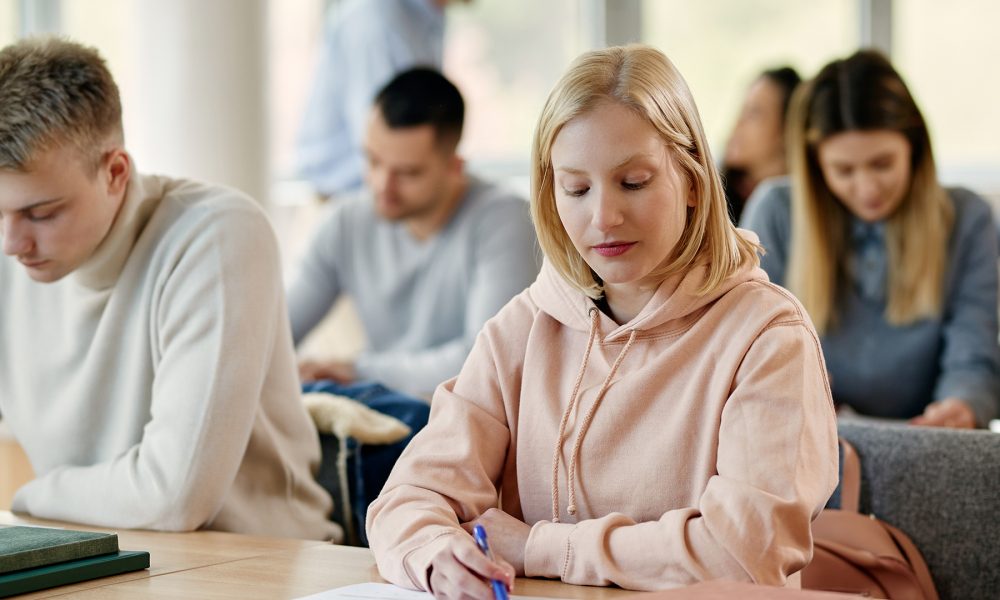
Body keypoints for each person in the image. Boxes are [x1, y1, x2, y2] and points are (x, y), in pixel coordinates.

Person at [366, 44, 838, 595]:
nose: (604, 218)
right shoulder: (523, 329)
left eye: (633, 182)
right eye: (577, 188)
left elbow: (744, 552)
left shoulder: (768, 337)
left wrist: (540, 547)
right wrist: (434, 553)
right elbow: (408, 498)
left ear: (690, 180)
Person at [0, 37, 340, 541]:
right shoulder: (14, 254)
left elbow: (176, 495)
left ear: (115, 172)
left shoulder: (217, 234)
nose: (12, 243)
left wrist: (30, 495)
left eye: (42, 213)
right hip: (90, 554)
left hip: (255, 564)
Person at [741, 50, 1000, 429]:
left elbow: (973, 355)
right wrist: (784, 382)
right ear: (815, 165)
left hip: (923, 442)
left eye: (882, 164)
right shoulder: (776, 211)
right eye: (843, 170)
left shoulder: (967, 219)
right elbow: (752, 347)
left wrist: (961, 405)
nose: (867, 188)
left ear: (914, 149)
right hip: (810, 437)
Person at [289, 67, 540, 400]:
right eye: (373, 160)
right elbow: (277, 331)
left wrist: (359, 371)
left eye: (407, 173)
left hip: (469, 415)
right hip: (383, 408)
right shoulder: (344, 223)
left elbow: (488, 360)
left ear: (455, 167)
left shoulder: (505, 221)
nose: (382, 186)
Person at [296, 0, 457, 199]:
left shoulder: (428, 16)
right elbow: (386, 140)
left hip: (391, 196)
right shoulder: (377, 18)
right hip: (357, 196)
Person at [721, 66, 800, 223]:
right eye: (743, 111)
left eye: (754, 113)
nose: (739, 123)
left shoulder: (799, 205)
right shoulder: (713, 193)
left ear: (787, 129)